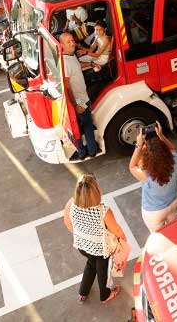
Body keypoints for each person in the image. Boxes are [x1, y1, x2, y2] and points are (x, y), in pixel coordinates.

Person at [62, 174, 126, 304]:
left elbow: (67, 223)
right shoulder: (103, 211)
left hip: (83, 247)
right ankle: (105, 295)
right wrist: (124, 241)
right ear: (96, 192)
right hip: (101, 250)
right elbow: (117, 230)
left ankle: (83, 293)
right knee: (103, 272)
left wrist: (83, 235)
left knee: (91, 265)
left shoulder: (71, 204)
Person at [129, 123, 177, 232]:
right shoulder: (174, 160)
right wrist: (161, 136)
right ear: (165, 151)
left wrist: (139, 145)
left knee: (160, 237)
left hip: (154, 212)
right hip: (174, 202)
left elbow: (132, 166)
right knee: (176, 231)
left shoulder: (146, 174)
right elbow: (172, 148)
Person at [61, 32, 99, 160]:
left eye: (72, 40)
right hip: (79, 99)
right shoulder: (65, 61)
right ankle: (87, 152)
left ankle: (86, 151)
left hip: (82, 97)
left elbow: (77, 67)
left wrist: (91, 64)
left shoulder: (71, 56)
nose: (72, 43)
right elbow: (66, 86)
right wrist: (76, 104)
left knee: (84, 124)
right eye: (68, 42)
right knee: (85, 125)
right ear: (61, 45)